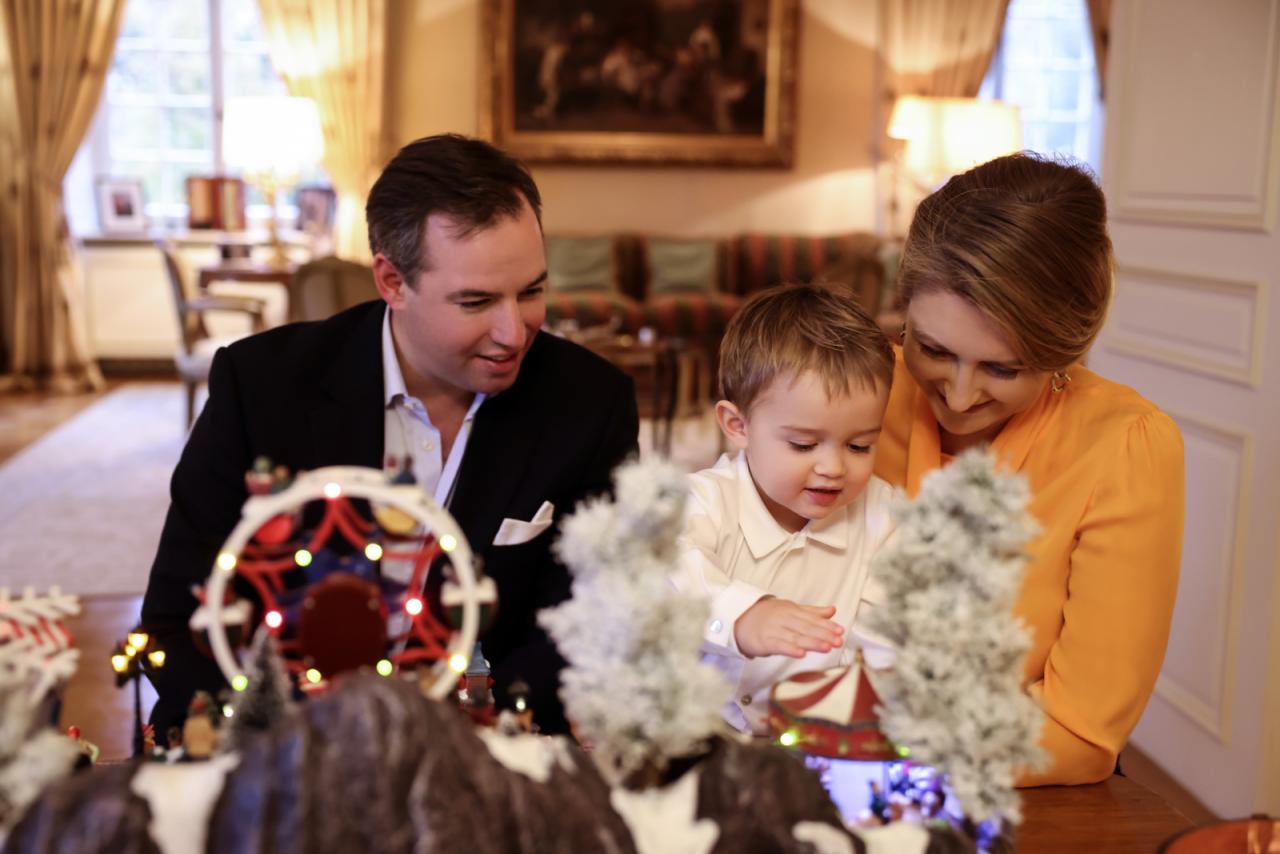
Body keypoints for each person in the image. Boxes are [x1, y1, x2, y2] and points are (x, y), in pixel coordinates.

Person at [141, 134, 639, 740]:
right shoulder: (261, 387)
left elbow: (591, 619)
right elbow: (179, 614)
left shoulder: (592, 403)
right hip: (281, 747)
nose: (515, 331)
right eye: (477, 301)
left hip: (490, 755)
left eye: (531, 291)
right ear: (391, 281)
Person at [876, 152, 1185, 786]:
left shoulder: (1125, 446)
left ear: (1061, 352)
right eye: (931, 349)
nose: (958, 397)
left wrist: (877, 754)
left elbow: (1079, 731)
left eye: (1002, 368)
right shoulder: (855, 392)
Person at [669, 283, 897, 734]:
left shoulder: (885, 518)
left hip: (819, 741)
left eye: (859, 445)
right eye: (803, 444)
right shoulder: (702, 501)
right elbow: (662, 568)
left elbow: (884, 643)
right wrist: (742, 615)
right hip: (693, 735)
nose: (833, 468)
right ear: (738, 426)